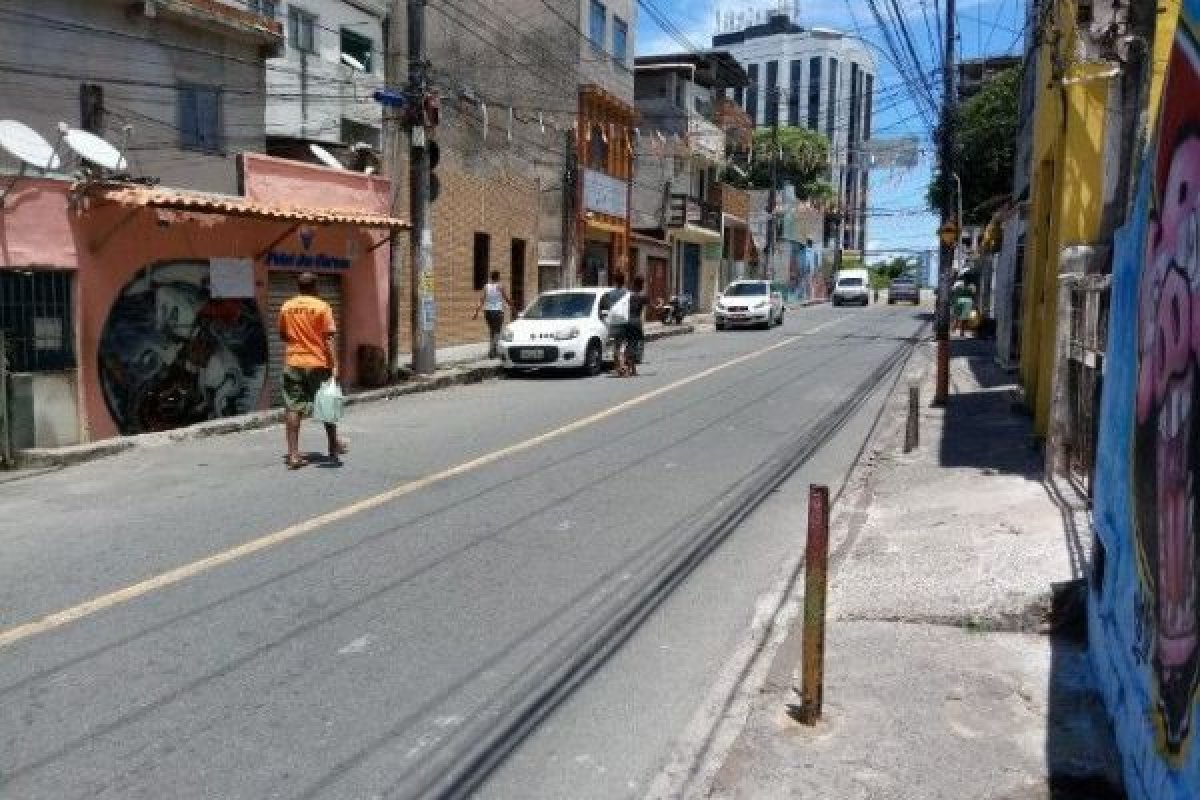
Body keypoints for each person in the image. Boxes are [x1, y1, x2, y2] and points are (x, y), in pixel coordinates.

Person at [278, 272, 344, 469]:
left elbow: (282, 334)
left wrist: (298, 341)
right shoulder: (322, 307)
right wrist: (335, 364)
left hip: (294, 362)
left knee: (293, 407)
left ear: (298, 287)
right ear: (316, 287)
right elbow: (328, 338)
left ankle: (293, 455)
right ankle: (333, 446)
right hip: (318, 363)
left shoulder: (287, 306)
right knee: (327, 404)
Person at [473, 270, 514, 358]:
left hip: (487, 311)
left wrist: (476, 312)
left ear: (491, 277)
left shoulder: (486, 287)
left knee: (492, 331)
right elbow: (506, 298)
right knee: (497, 331)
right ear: (498, 277)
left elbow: (482, 300)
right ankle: (493, 351)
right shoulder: (500, 286)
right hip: (497, 311)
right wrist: (512, 306)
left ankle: (492, 350)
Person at [621, 274, 648, 377]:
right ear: (641, 285)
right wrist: (660, 305)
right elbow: (654, 307)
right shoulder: (643, 296)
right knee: (633, 346)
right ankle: (627, 367)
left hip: (626, 321)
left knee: (629, 344)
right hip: (636, 322)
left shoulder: (628, 295)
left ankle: (633, 369)